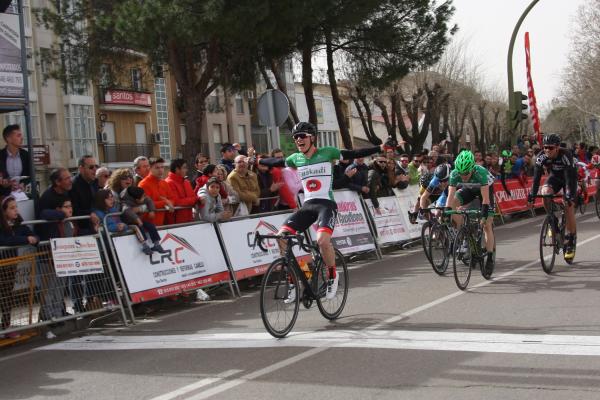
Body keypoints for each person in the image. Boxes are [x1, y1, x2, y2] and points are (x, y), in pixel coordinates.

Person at [259, 122, 388, 301]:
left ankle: (333, 276)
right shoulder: (296, 158)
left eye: (302, 136)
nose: (298, 139)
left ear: (312, 138)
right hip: (307, 206)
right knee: (281, 237)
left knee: (322, 241)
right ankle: (293, 281)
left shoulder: (327, 152)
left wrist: (379, 148)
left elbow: (354, 153)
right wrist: (258, 160)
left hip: (326, 205)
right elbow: (278, 162)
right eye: (295, 137)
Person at [528, 133, 578, 262]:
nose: (547, 150)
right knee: (545, 192)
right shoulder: (541, 157)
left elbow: (570, 179)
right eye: (545, 147)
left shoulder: (565, 155)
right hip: (554, 178)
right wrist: (532, 195)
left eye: (550, 147)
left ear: (557, 147)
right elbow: (536, 178)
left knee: (568, 205)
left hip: (569, 179)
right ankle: (552, 221)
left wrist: (568, 195)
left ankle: (571, 239)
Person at [446, 150, 496, 272]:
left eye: (466, 173)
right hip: (469, 189)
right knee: (453, 202)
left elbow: (485, 199)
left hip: (484, 190)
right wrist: (447, 213)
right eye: (461, 173)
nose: (463, 176)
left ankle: (490, 257)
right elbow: (450, 196)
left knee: (487, 225)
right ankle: (464, 232)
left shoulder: (480, 173)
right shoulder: (454, 173)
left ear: (472, 168)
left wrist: (484, 216)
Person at [0, 196, 38, 338]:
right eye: (12, 208)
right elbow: (5, 240)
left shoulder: (19, 225)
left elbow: (34, 236)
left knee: (7, 296)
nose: (16, 210)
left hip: (10, 265)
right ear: (4, 211)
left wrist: (34, 239)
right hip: (3, 262)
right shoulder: (2, 226)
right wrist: (25, 239)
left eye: (16, 207)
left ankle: (6, 326)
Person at [120, 186, 167, 255]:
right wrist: (137, 219)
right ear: (137, 200)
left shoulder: (140, 195)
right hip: (128, 222)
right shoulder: (125, 202)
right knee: (138, 228)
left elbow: (149, 200)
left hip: (139, 220)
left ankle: (157, 244)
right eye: (143, 197)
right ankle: (145, 245)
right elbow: (127, 211)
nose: (144, 198)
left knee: (151, 225)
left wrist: (151, 210)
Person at [138, 157, 175, 226]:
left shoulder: (164, 183)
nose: (160, 170)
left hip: (162, 224)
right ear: (150, 168)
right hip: (147, 225)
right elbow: (147, 204)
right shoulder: (143, 184)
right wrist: (165, 202)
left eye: (162, 167)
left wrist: (167, 202)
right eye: (157, 168)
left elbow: (172, 199)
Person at [0, 124, 31, 195]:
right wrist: (6, 185)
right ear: (9, 139)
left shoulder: (26, 155)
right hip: (4, 197)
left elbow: (31, 175)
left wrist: (23, 184)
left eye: (21, 135)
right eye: (18, 135)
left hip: (22, 195)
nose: (22, 138)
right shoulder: (1, 155)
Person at [165, 159, 197, 224]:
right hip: (175, 223)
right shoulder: (168, 183)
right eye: (184, 168)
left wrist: (196, 199)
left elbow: (194, 198)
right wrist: (192, 200)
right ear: (177, 169)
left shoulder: (186, 182)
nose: (186, 170)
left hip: (188, 220)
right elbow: (176, 202)